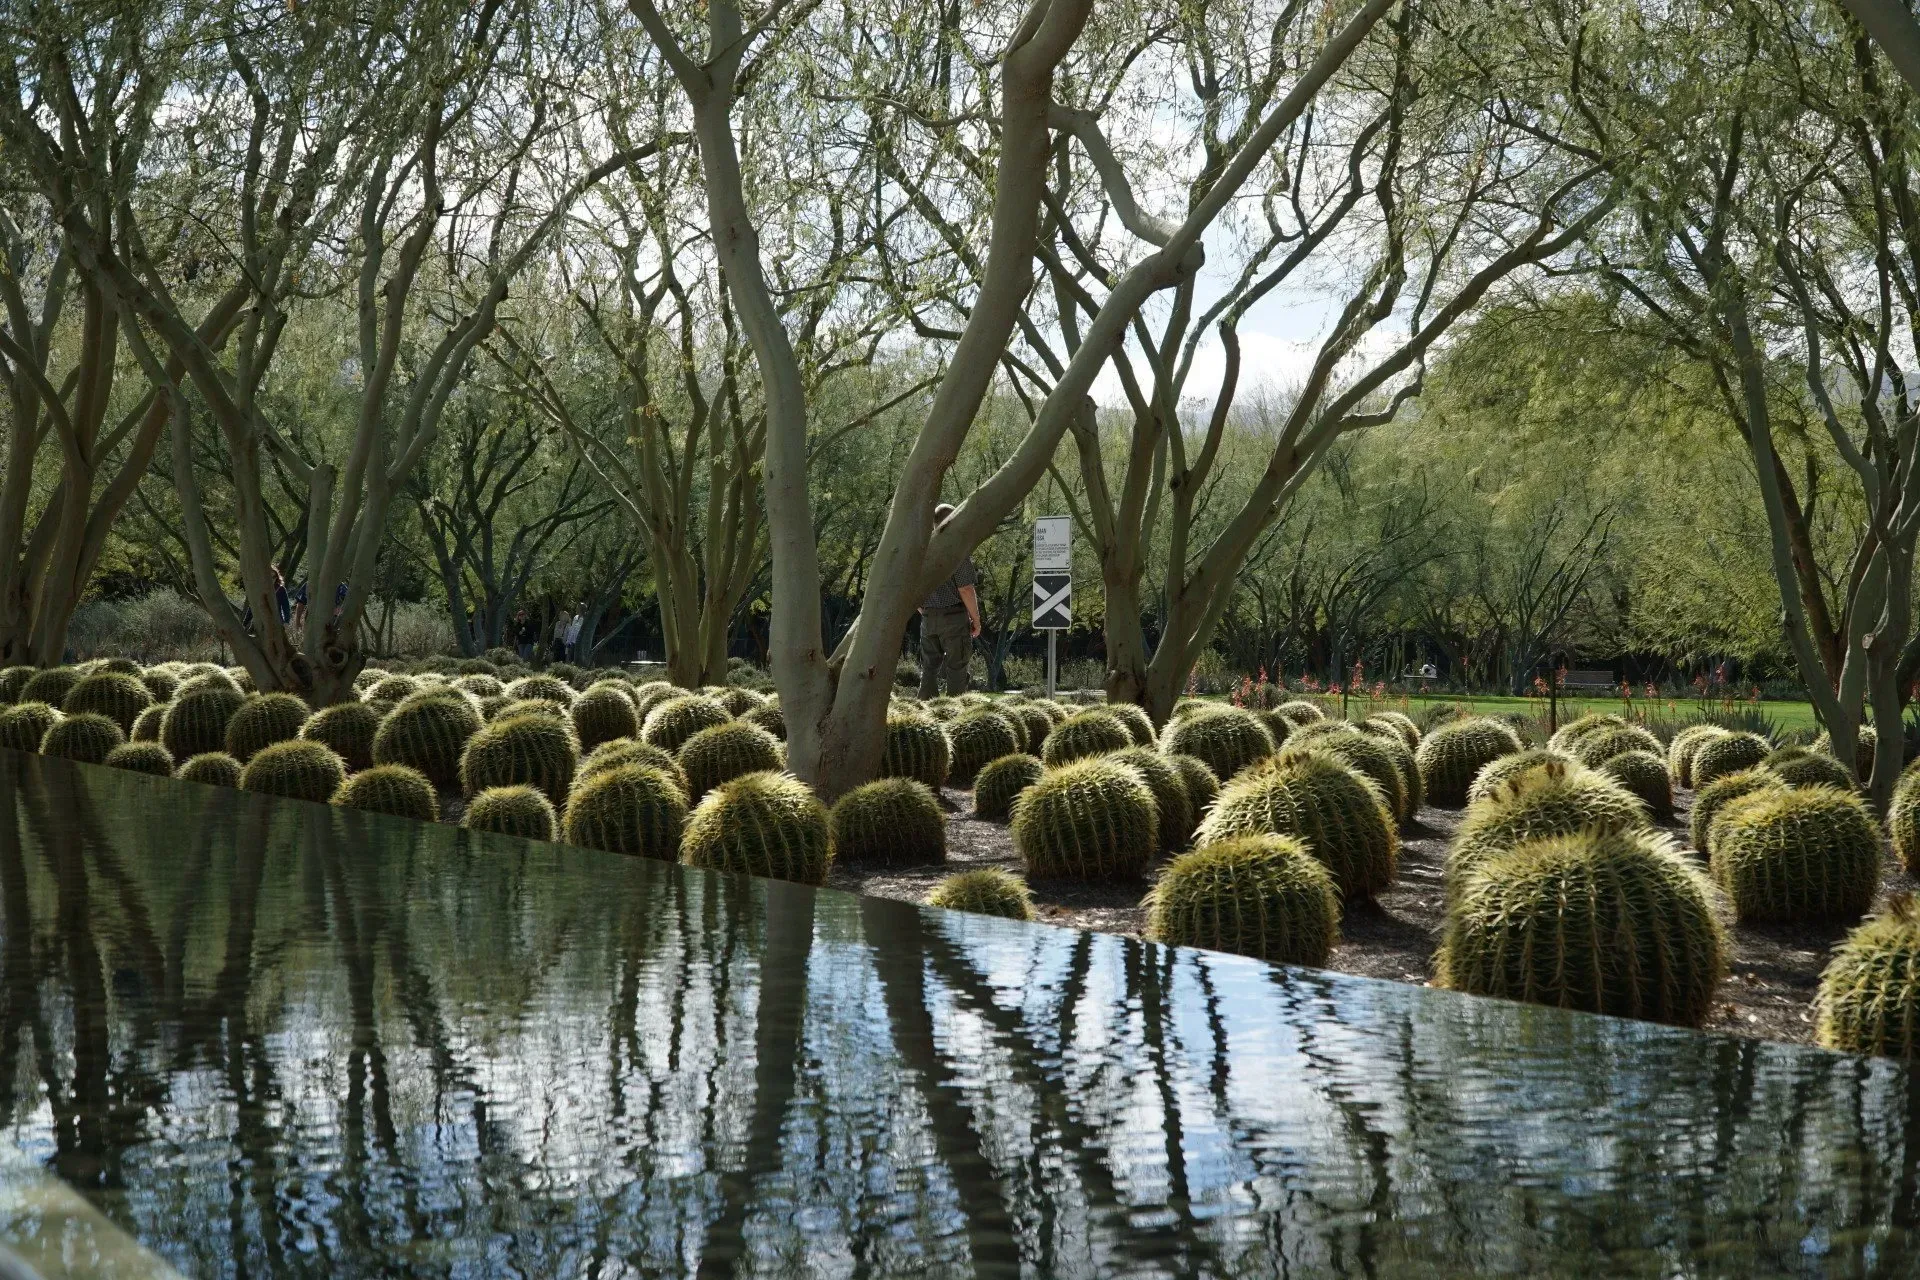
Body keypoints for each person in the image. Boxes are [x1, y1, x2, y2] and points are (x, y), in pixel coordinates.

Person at [917, 503, 981, 699]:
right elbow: (966, 589)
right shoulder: (956, 551)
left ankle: (924, 713)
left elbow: (911, 587)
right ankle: (954, 715)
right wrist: (976, 620)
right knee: (956, 670)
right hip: (954, 618)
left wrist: (924, 609)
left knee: (929, 669)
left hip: (928, 618)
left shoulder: (922, 552)